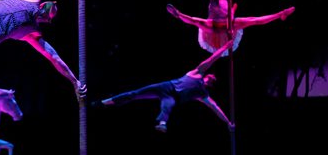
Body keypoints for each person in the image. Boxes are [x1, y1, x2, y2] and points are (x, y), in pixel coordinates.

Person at [91, 39, 236, 133]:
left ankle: (162, 123)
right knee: (134, 94)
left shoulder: (203, 94)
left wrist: (228, 122)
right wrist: (225, 47)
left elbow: (216, 109)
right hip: (165, 87)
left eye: (214, 79)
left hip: (172, 97)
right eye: (212, 75)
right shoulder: (198, 72)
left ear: (211, 84)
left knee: (168, 106)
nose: (212, 76)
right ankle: (104, 102)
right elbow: (212, 58)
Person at [166, 3, 295, 57]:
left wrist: (232, 11)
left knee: (254, 20)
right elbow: (193, 20)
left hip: (227, 25)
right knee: (195, 21)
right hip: (214, 31)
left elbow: (256, 20)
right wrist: (179, 14)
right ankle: (178, 14)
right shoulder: (210, 20)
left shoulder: (228, 8)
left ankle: (280, 14)